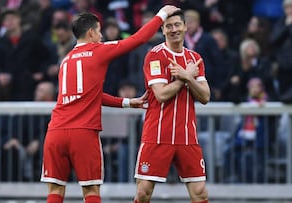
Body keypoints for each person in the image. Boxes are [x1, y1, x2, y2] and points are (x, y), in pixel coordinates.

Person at [40, 5, 180, 203]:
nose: (101, 35)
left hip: (55, 131)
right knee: (90, 191)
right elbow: (138, 39)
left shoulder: (65, 60)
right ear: (91, 32)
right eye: (99, 31)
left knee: (55, 190)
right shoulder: (98, 50)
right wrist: (162, 14)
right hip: (83, 132)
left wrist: (126, 103)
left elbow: (87, 95)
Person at [133, 10, 210, 203]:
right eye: (169, 26)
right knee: (143, 192)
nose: (174, 29)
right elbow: (161, 95)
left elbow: (205, 96)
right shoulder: (155, 56)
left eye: (177, 25)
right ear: (162, 29)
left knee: (200, 193)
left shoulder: (195, 58)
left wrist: (186, 76)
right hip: (157, 134)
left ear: (185, 26)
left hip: (187, 136)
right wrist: (186, 78)